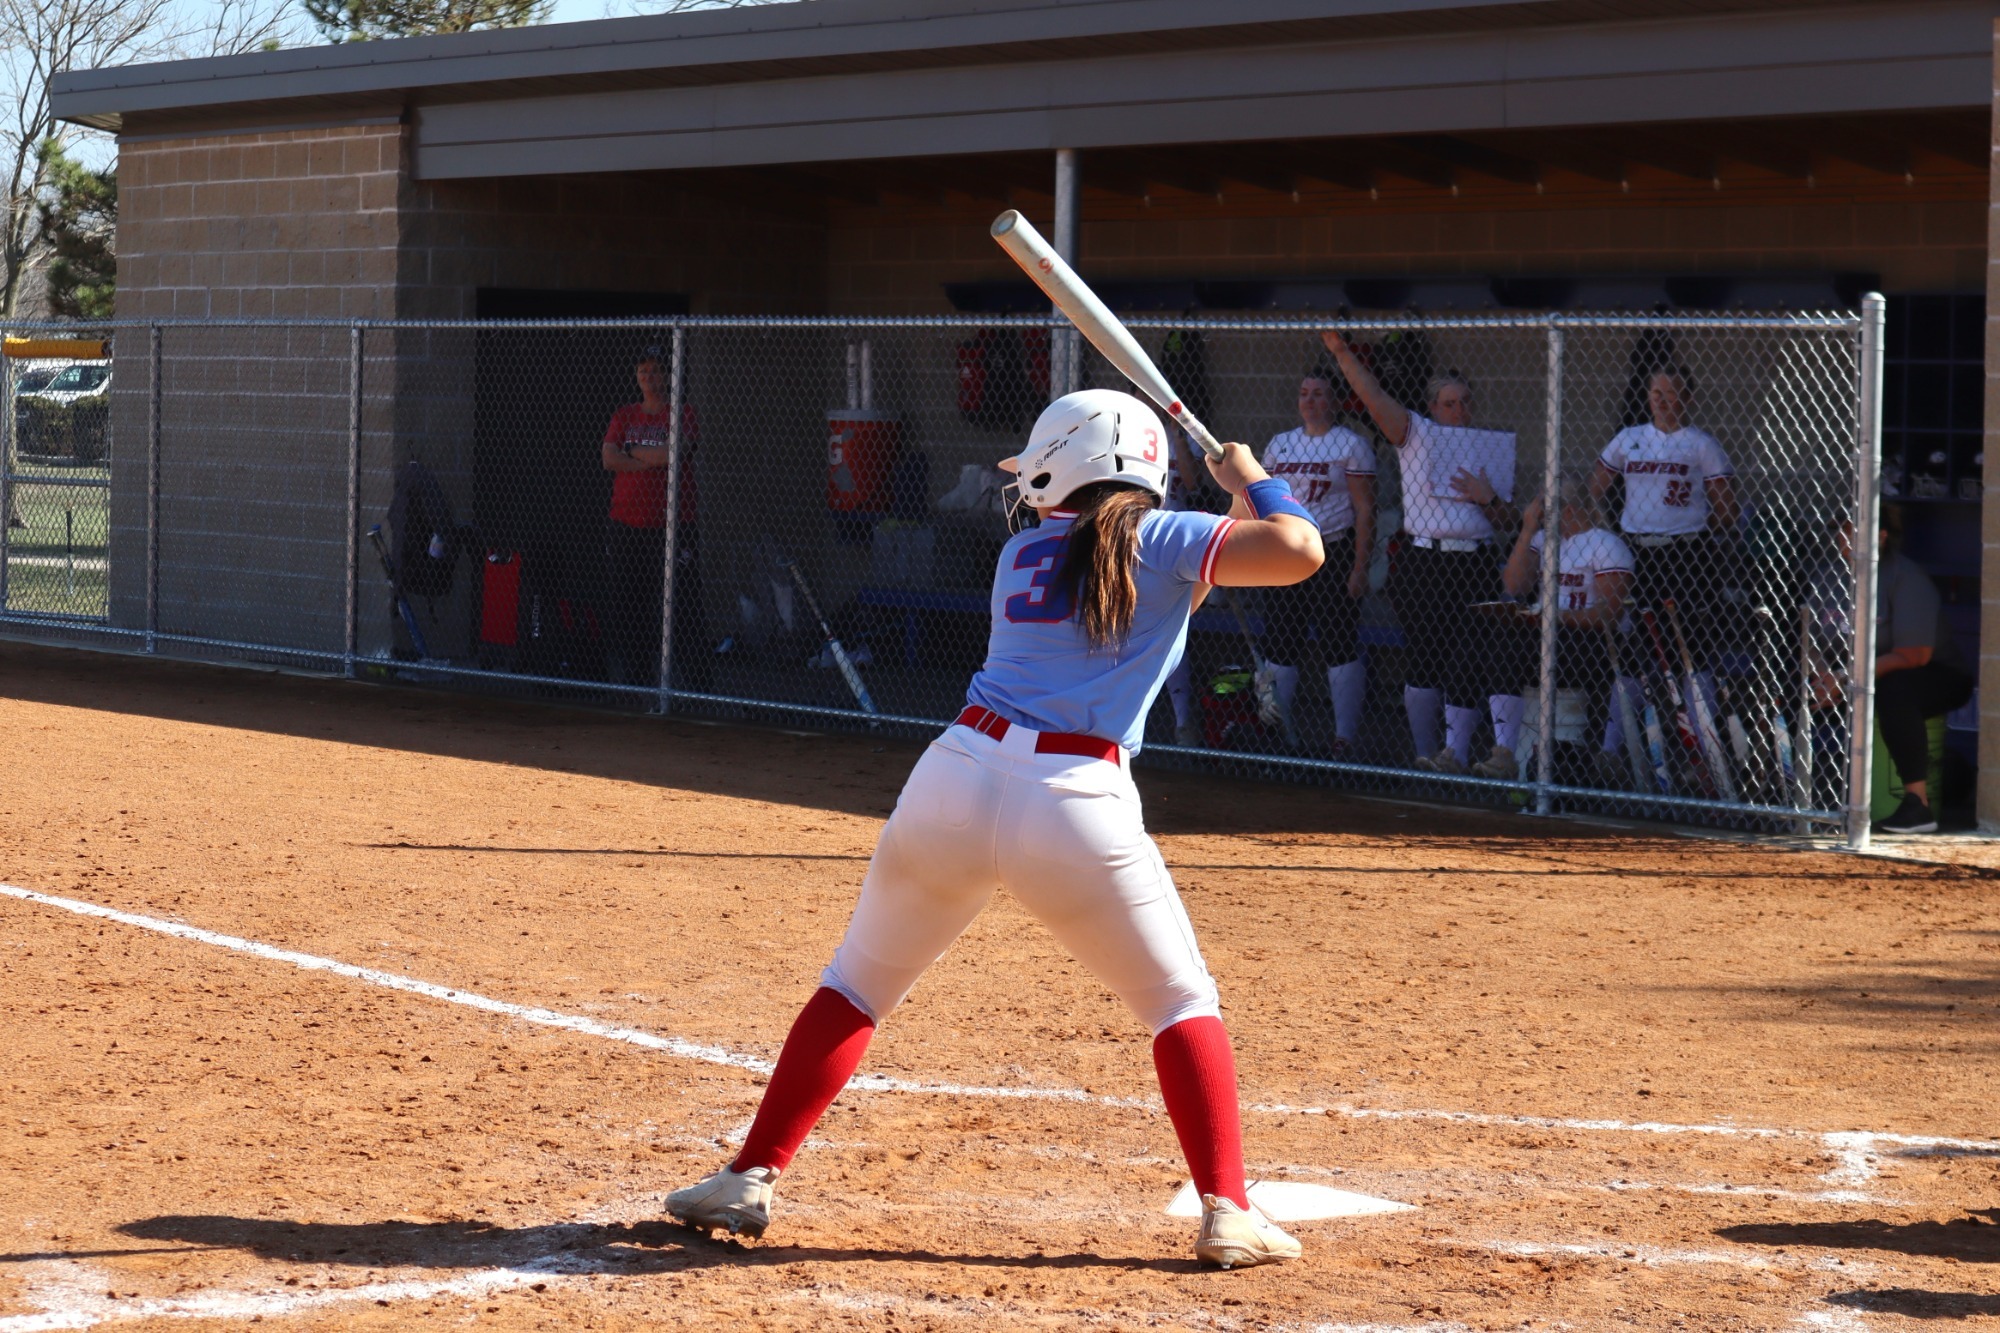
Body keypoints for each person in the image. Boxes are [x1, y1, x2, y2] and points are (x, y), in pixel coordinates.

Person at [664, 388, 1324, 1269]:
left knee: (855, 984)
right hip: (1075, 796)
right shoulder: (1157, 539)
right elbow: (1300, 550)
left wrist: (1230, 506)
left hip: (955, 777)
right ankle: (1228, 1209)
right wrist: (1252, 478)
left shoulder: (1025, 549)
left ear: (1068, 471)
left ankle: (750, 1173)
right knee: (1178, 1000)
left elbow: (1179, 593)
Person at [1319, 328, 1517, 772]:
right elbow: (1373, 399)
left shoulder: (1487, 445)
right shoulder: (1418, 433)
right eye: (1449, 402)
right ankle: (1426, 752)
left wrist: (1487, 498)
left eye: (1465, 401)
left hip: (1477, 560)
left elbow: (1508, 521)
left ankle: (1458, 752)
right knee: (1425, 656)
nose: (1459, 410)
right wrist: (1341, 352)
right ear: (1432, 407)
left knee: (1472, 654)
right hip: (1425, 560)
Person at [1811, 511, 1971, 834]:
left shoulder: (1905, 576)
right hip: (1847, 674)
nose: (1840, 539)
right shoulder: (1829, 576)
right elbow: (1811, 640)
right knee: (1788, 681)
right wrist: (1822, 675)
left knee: (1894, 689)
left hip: (1934, 673)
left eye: (1848, 531)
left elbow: (1914, 655)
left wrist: (1844, 679)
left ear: (1879, 537)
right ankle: (1781, 789)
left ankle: (1917, 806)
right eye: (1838, 532)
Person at [1589, 367, 1736, 706]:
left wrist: (1692, 527)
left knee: (1691, 647)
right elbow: (1594, 490)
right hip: (1636, 551)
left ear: (1687, 398)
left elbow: (1726, 510)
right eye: (1657, 393)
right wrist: (1612, 535)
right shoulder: (1629, 438)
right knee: (1633, 646)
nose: (1663, 401)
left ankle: (1703, 744)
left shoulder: (1701, 444)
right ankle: (1616, 746)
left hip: (1686, 553)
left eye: (1671, 394)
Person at [1259, 364, 1377, 755]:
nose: (1310, 401)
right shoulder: (1280, 444)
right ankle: (1280, 732)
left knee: (1338, 642)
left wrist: (1360, 566)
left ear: (1335, 400)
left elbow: (1364, 509)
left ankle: (1344, 737)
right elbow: (1264, 502)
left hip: (1333, 548)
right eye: (1304, 393)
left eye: (1319, 393)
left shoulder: (1351, 444)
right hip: (1287, 549)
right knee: (1280, 642)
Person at [1485, 479, 1635, 781]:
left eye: (1542, 504)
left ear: (1565, 508)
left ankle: (1603, 756)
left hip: (1591, 642)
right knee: (1496, 642)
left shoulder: (1605, 543)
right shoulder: (1542, 539)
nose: (1537, 509)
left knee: (1519, 644)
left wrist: (1555, 616)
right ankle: (1504, 753)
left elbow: (1611, 613)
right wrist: (1527, 529)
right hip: (1545, 636)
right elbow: (1514, 586)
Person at [599, 345, 707, 692]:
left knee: (683, 605)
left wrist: (631, 452)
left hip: (673, 526)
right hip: (627, 525)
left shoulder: (682, 412)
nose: (648, 377)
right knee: (630, 603)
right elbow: (608, 458)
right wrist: (647, 459)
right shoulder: (625, 414)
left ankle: (694, 686)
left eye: (656, 370)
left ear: (668, 375)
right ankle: (636, 682)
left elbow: (677, 452)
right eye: (643, 371)